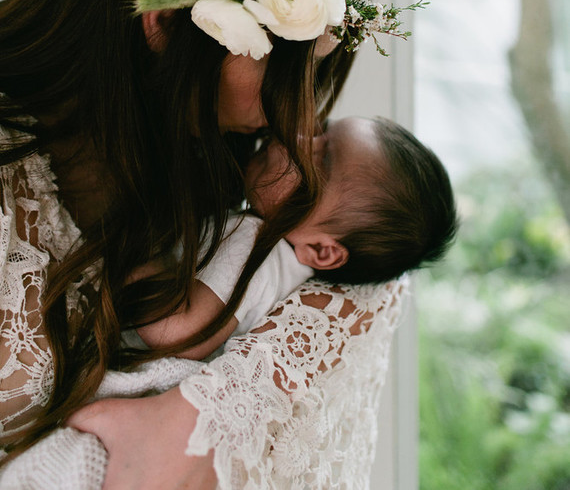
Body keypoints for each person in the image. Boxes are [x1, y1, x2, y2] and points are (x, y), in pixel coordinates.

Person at [0, 0, 413, 489]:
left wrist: (200, 414)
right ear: (166, 23)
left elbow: (373, 261)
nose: (302, 113)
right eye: (290, 71)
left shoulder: (228, 160)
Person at [130, 115, 457, 362]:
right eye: (320, 131)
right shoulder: (279, 260)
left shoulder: (253, 245)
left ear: (320, 249)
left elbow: (174, 331)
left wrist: (132, 234)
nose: (298, 136)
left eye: (322, 158)